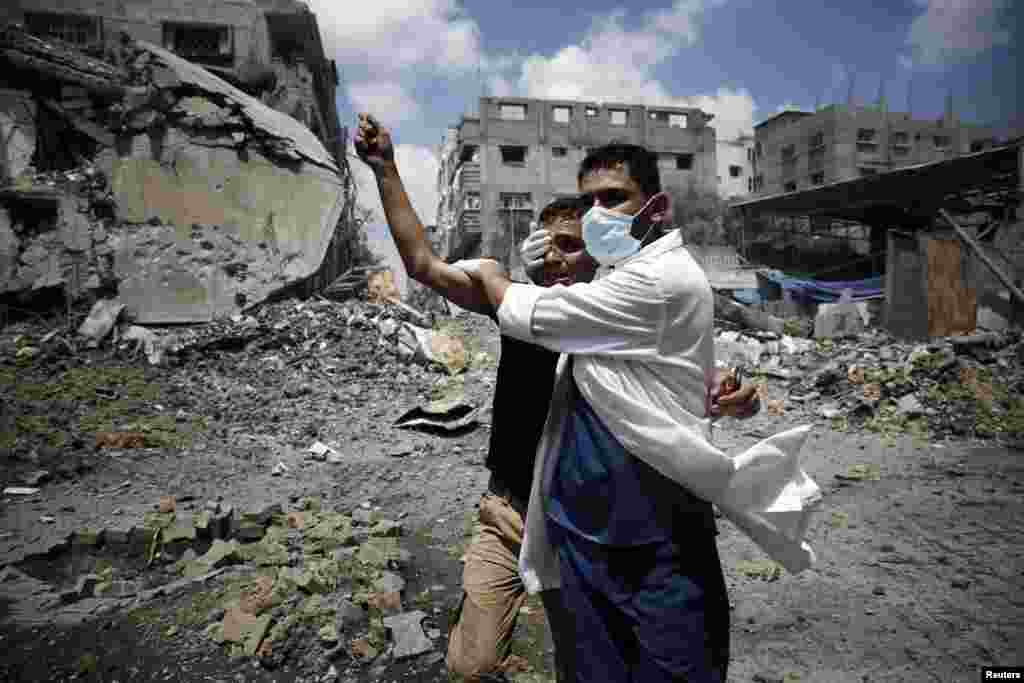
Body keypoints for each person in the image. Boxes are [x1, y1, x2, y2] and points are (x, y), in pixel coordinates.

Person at [461, 143, 822, 683]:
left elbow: (684, 379)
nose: (596, 218)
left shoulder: (630, 296)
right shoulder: (544, 310)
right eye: (589, 206)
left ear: (654, 208)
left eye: (614, 199)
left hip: (660, 541)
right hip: (563, 528)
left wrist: (727, 394)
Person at [353, 113, 593, 681]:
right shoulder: (515, 305)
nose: (558, 257)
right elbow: (423, 264)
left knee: (582, 664)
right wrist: (385, 167)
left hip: (578, 522)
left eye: (572, 246)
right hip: (506, 514)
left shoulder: (614, 318)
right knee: (471, 665)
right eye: (549, 244)